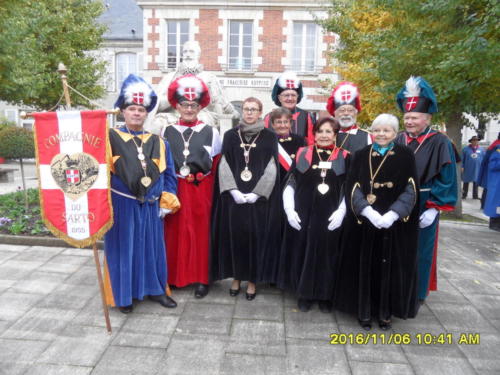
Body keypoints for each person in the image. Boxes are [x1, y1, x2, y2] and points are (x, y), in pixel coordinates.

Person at [335, 114, 420, 330]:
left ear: (395, 133)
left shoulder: (406, 155)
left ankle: (385, 313)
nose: (381, 134)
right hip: (365, 222)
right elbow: (352, 187)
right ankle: (364, 311)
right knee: (364, 266)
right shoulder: (360, 154)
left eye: (387, 130)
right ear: (372, 132)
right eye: (377, 130)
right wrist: (367, 211)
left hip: (393, 224)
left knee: (388, 269)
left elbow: (411, 188)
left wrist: (393, 214)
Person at [104, 74, 180, 313]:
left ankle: (156, 289)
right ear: (122, 111)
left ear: (147, 113)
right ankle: (124, 295)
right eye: (132, 109)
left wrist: (167, 200)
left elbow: (169, 175)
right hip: (122, 206)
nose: (136, 113)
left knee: (152, 249)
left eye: (141, 109)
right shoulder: (109, 138)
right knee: (124, 250)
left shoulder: (159, 141)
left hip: (151, 206)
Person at [394, 76, 457, 303]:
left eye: (414, 117)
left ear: (427, 118)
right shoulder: (398, 138)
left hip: (424, 204)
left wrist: (434, 208)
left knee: (420, 251)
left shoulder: (440, 141)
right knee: (397, 248)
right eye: (407, 117)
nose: (409, 121)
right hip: (398, 203)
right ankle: (397, 287)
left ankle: (417, 293)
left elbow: (447, 178)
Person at [211, 97, 281, 300]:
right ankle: (236, 278)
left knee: (256, 240)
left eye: (254, 109)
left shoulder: (269, 136)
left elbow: (272, 167)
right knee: (236, 238)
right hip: (235, 199)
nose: (249, 113)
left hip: (258, 200)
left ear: (260, 112)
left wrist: (257, 193)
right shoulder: (231, 135)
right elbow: (223, 163)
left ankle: (252, 280)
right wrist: (233, 190)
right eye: (246, 109)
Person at [278, 117, 349, 313]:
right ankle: (305, 294)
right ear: (314, 134)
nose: (324, 135)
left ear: (335, 135)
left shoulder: (345, 156)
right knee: (304, 252)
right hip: (304, 213)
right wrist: (289, 208)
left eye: (329, 132)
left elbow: (349, 187)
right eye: (320, 131)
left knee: (328, 255)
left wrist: (342, 211)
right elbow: (291, 180)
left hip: (330, 215)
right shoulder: (303, 153)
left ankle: (325, 296)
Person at [162, 74, 222, 298]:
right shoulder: (166, 131)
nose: (189, 109)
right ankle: (175, 277)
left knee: (200, 233)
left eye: (193, 105)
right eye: (185, 105)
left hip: (201, 188)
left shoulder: (211, 132)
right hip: (175, 186)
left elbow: (215, 165)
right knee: (174, 232)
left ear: (200, 107)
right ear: (177, 106)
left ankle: (201, 279)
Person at [149, 40, 239, 133]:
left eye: (191, 51)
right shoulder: (170, 77)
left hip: (201, 114)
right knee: (157, 123)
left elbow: (221, 102)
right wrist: (174, 97)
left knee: (202, 124)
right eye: (185, 52)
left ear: (198, 55)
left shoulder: (209, 77)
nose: (188, 55)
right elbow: (156, 104)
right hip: (174, 115)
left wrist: (234, 114)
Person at [264, 72, 315, 145]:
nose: (290, 98)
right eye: (286, 95)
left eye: (293, 95)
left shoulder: (307, 117)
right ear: (279, 98)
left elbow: (311, 143)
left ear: (297, 97)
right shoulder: (269, 117)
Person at [326, 81, 372, 154]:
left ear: (355, 113)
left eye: (350, 110)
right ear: (335, 113)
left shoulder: (368, 137)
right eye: (342, 110)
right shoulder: (326, 135)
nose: (346, 113)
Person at [269, 107, 306, 181]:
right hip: (273, 182)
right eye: (279, 122)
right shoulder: (268, 141)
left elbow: (304, 164)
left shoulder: (300, 140)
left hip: (293, 182)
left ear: (291, 123)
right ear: (273, 124)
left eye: (285, 122)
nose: (283, 125)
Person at [477, 133, 500, 231]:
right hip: (497, 181)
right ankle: (494, 223)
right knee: (496, 203)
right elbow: (493, 165)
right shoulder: (497, 149)